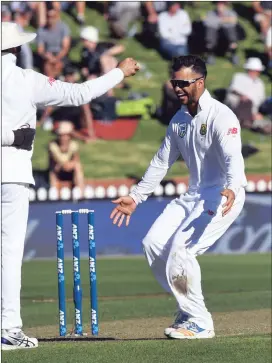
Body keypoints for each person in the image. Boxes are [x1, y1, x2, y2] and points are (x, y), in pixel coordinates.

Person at [1, 21, 140, 350]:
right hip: (12, 176)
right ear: (18, 49)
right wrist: (118, 72)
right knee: (7, 254)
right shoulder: (26, 80)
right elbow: (79, 94)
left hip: (12, 175)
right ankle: (8, 327)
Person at [110, 55, 247, 339]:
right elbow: (161, 162)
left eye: (183, 83)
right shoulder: (179, 119)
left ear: (201, 81)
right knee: (152, 244)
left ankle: (200, 322)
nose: (178, 88)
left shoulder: (222, 115)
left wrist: (233, 187)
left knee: (182, 251)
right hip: (193, 195)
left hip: (222, 195)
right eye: (175, 83)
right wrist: (136, 197)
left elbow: (234, 158)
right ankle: (188, 310)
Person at [225, 58, 268, 132]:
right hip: (237, 106)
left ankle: (249, 122)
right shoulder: (239, 77)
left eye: (257, 71)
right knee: (247, 102)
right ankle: (245, 122)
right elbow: (233, 90)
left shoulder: (260, 84)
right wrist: (242, 96)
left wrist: (258, 113)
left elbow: (261, 101)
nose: (255, 73)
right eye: (253, 70)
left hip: (252, 112)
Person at [48, 121, 85, 191]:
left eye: (66, 135)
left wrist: (70, 164)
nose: (64, 138)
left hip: (69, 169)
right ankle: (53, 190)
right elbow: (54, 160)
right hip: (58, 169)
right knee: (53, 170)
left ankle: (81, 191)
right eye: (61, 135)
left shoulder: (73, 145)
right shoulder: (53, 145)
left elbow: (76, 159)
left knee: (77, 166)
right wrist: (63, 165)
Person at [36, 8, 71, 78]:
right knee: (48, 67)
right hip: (48, 54)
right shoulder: (41, 30)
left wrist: (57, 58)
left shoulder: (63, 28)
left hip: (60, 54)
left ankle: (56, 80)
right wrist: (47, 56)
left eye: (53, 17)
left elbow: (65, 47)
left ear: (57, 17)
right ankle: (52, 82)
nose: (50, 19)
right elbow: (40, 50)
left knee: (58, 65)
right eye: (48, 17)